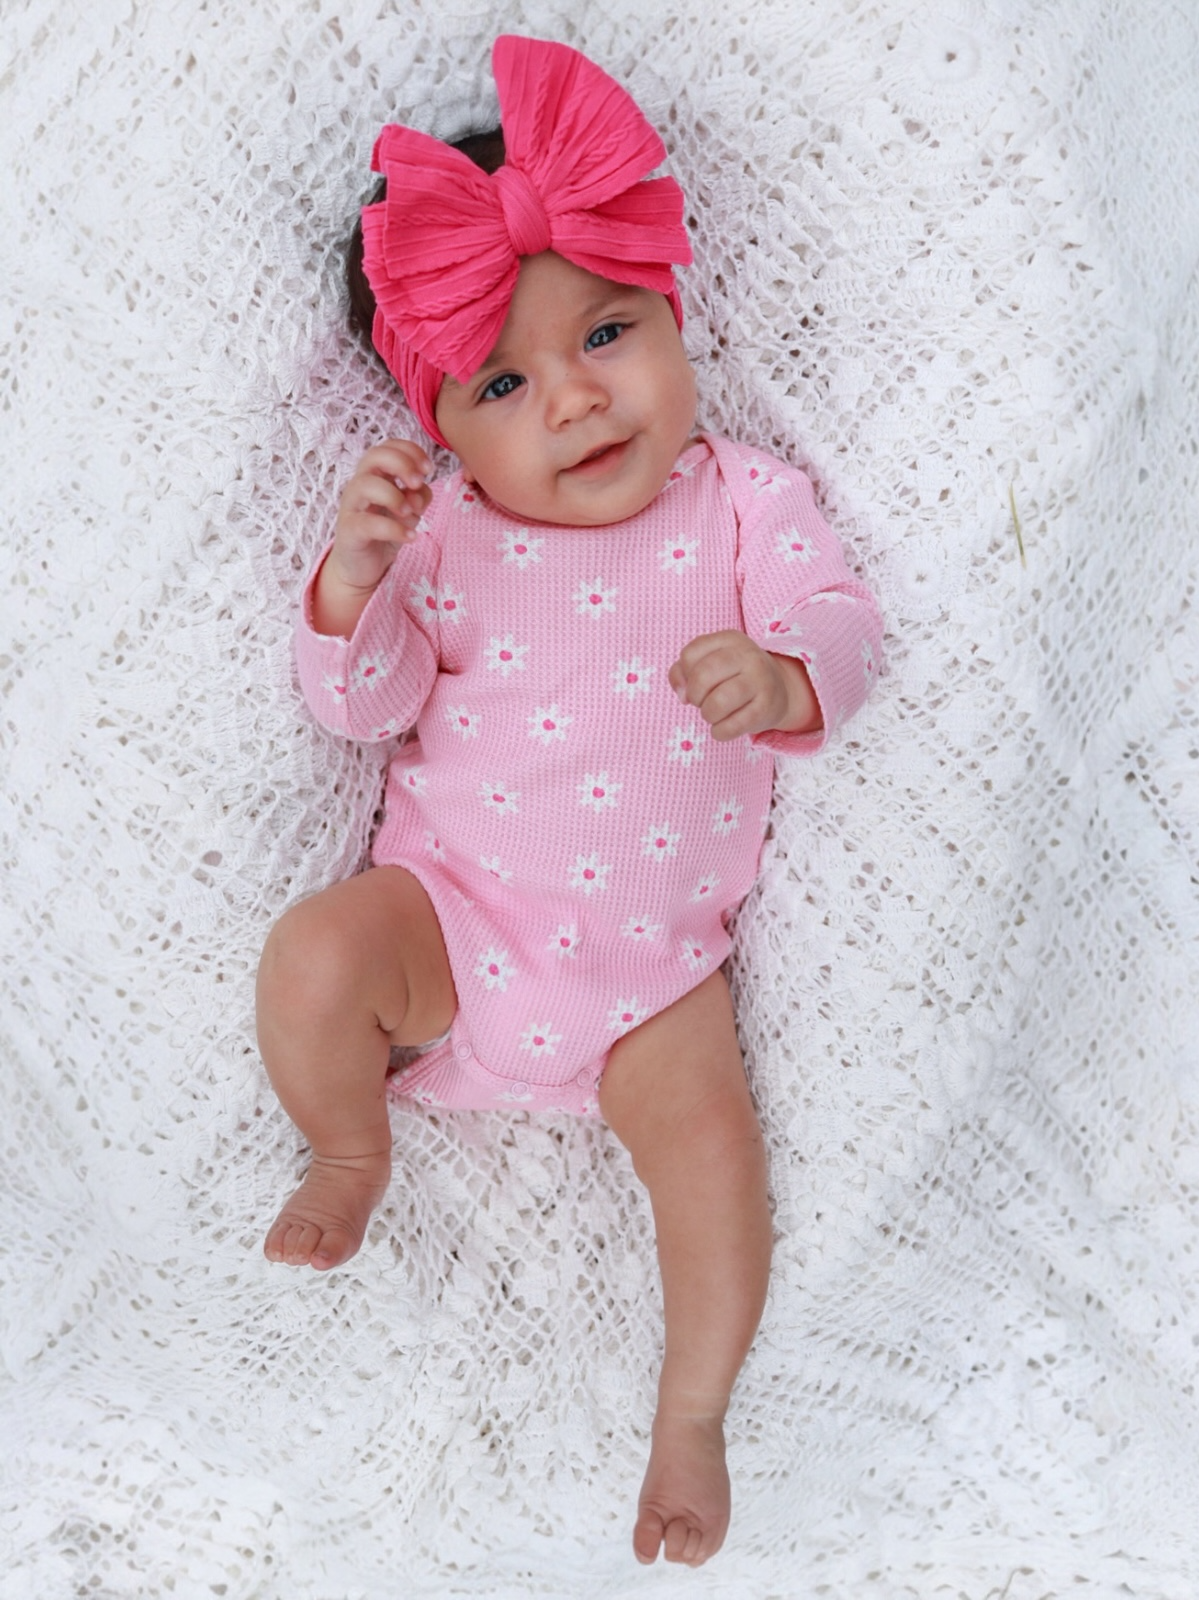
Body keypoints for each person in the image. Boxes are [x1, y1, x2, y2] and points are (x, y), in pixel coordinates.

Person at [256, 33, 883, 1568]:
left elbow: (846, 622)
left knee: (712, 1160)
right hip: (451, 925)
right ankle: (347, 1146)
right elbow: (365, 701)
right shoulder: (454, 533)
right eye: (504, 382)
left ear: (673, 312)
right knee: (312, 956)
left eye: (609, 334)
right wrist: (354, 581)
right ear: (442, 429)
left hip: (654, 981)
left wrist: (785, 675)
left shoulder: (742, 497)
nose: (578, 403)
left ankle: (690, 1413)